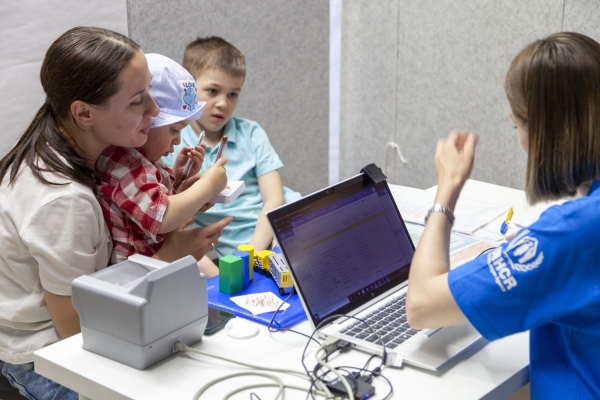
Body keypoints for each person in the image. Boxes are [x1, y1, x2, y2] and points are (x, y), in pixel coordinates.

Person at [0, 27, 230, 399]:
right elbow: (74, 326)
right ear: (84, 113)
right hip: (43, 353)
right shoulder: (63, 200)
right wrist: (171, 255)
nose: (155, 113)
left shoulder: (84, 150)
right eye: (139, 101)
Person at [406, 32, 600, 399]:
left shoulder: (575, 232)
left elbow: (420, 304)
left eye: (517, 125)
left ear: (546, 131)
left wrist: (447, 188)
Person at [163, 36, 301, 271]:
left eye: (232, 94)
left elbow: (274, 199)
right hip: (221, 256)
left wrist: (252, 258)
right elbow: (172, 226)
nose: (223, 104)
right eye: (213, 91)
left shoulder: (251, 132)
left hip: (274, 232)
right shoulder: (173, 142)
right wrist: (216, 276)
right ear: (188, 88)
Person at [96, 53, 228, 274]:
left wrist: (179, 182)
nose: (177, 140)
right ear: (147, 121)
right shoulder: (126, 165)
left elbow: (149, 203)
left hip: (157, 265)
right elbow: (162, 218)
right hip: (135, 278)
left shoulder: (144, 161)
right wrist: (208, 187)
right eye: (174, 130)